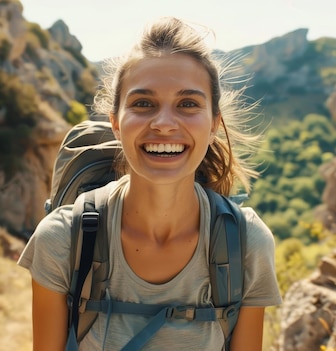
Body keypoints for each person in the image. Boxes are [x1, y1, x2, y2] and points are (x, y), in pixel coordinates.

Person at [17, 16, 281, 350]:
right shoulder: (62, 240)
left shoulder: (246, 244)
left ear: (214, 124)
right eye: (143, 103)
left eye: (188, 104)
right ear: (115, 123)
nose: (164, 123)